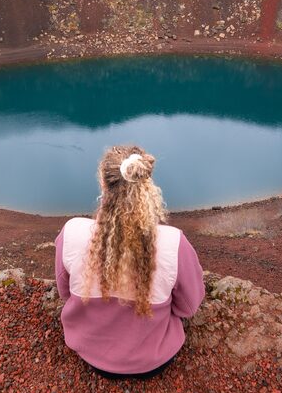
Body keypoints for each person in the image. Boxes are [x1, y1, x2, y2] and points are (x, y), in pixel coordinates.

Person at [55, 145, 204, 378]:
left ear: (103, 184)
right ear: (147, 186)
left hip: (91, 355)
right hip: (154, 360)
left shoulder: (71, 233)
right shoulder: (174, 244)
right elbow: (188, 307)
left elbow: (65, 293)